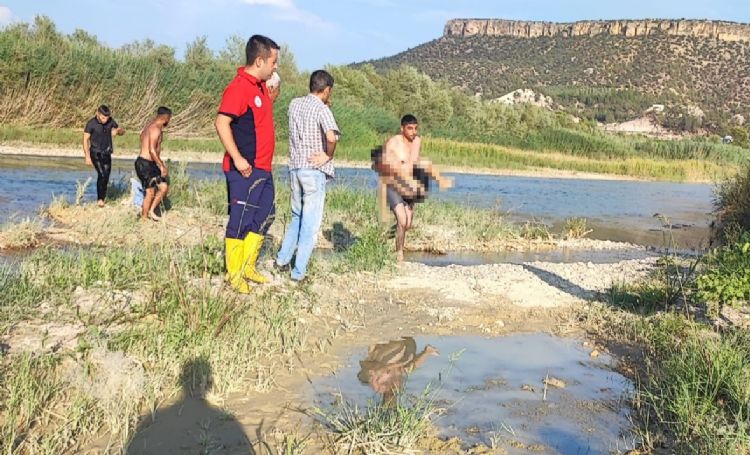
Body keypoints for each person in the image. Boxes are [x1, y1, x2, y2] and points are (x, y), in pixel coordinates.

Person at [215, 35, 280, 294]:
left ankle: (249, 265)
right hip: (245, 168)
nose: (276, 67)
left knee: (266, 215)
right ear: (259, 60)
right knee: (240, 220)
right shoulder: (239, 87)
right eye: (273, 62)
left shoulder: (261, 87)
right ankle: (234, 274)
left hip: (264, 167)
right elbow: (222, 123)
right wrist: (238, 158)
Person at [275, 69, 340, 282]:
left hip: (295, 167)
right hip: (313, 170)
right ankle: (299, 271)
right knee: (311, 223)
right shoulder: (321, 108)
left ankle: (282, 260)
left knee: (297, 217)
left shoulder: (294, 104)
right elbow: (332, 136)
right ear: (327, 89)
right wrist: (327, 156)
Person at [374, 115, 453, 262]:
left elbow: (416, 163)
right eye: (410, 128)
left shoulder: (417, 141)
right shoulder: (393, 143)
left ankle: (387, 235)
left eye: (416, 128)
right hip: (393, 185)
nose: (413, 131)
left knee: (407, 224)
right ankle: (399, 255)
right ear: (402, 128)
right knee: (403, 220)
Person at [357, 337, 439, 406]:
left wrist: (399, 364)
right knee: (409, 367)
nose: (392, 399)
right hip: (396, 355)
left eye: (390, 401)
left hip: (384, 358)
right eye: (393, 401)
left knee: (403, 360)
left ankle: (379, 342)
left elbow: (378, 369)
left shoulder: (378, 388)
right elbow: (405, 369)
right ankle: (427, 351)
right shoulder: (396, 386)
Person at [83, 105, 124, 207]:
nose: (105, 120)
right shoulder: (91, 123)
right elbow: (85, 140)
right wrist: (87, 156)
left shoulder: (111, 121)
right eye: (103, 118)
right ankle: (100, 200)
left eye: (107, 118)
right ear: (98, 114)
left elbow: (121, 131)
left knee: (106, 176)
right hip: (95, 153)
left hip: (107, 152)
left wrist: (118, 131)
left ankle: (103, 198)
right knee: (101, 174)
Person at [135, 106, 172, 221]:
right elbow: (151, 150)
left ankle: (151, 211)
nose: (169, 121)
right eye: (169, 118)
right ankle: (144, 217)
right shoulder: (155, 128)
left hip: (150, 164)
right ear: (165, 118)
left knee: (163, 187)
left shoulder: (149, 126)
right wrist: (161, 165)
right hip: (144, 164)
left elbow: (141, 137)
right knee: (150, 191)